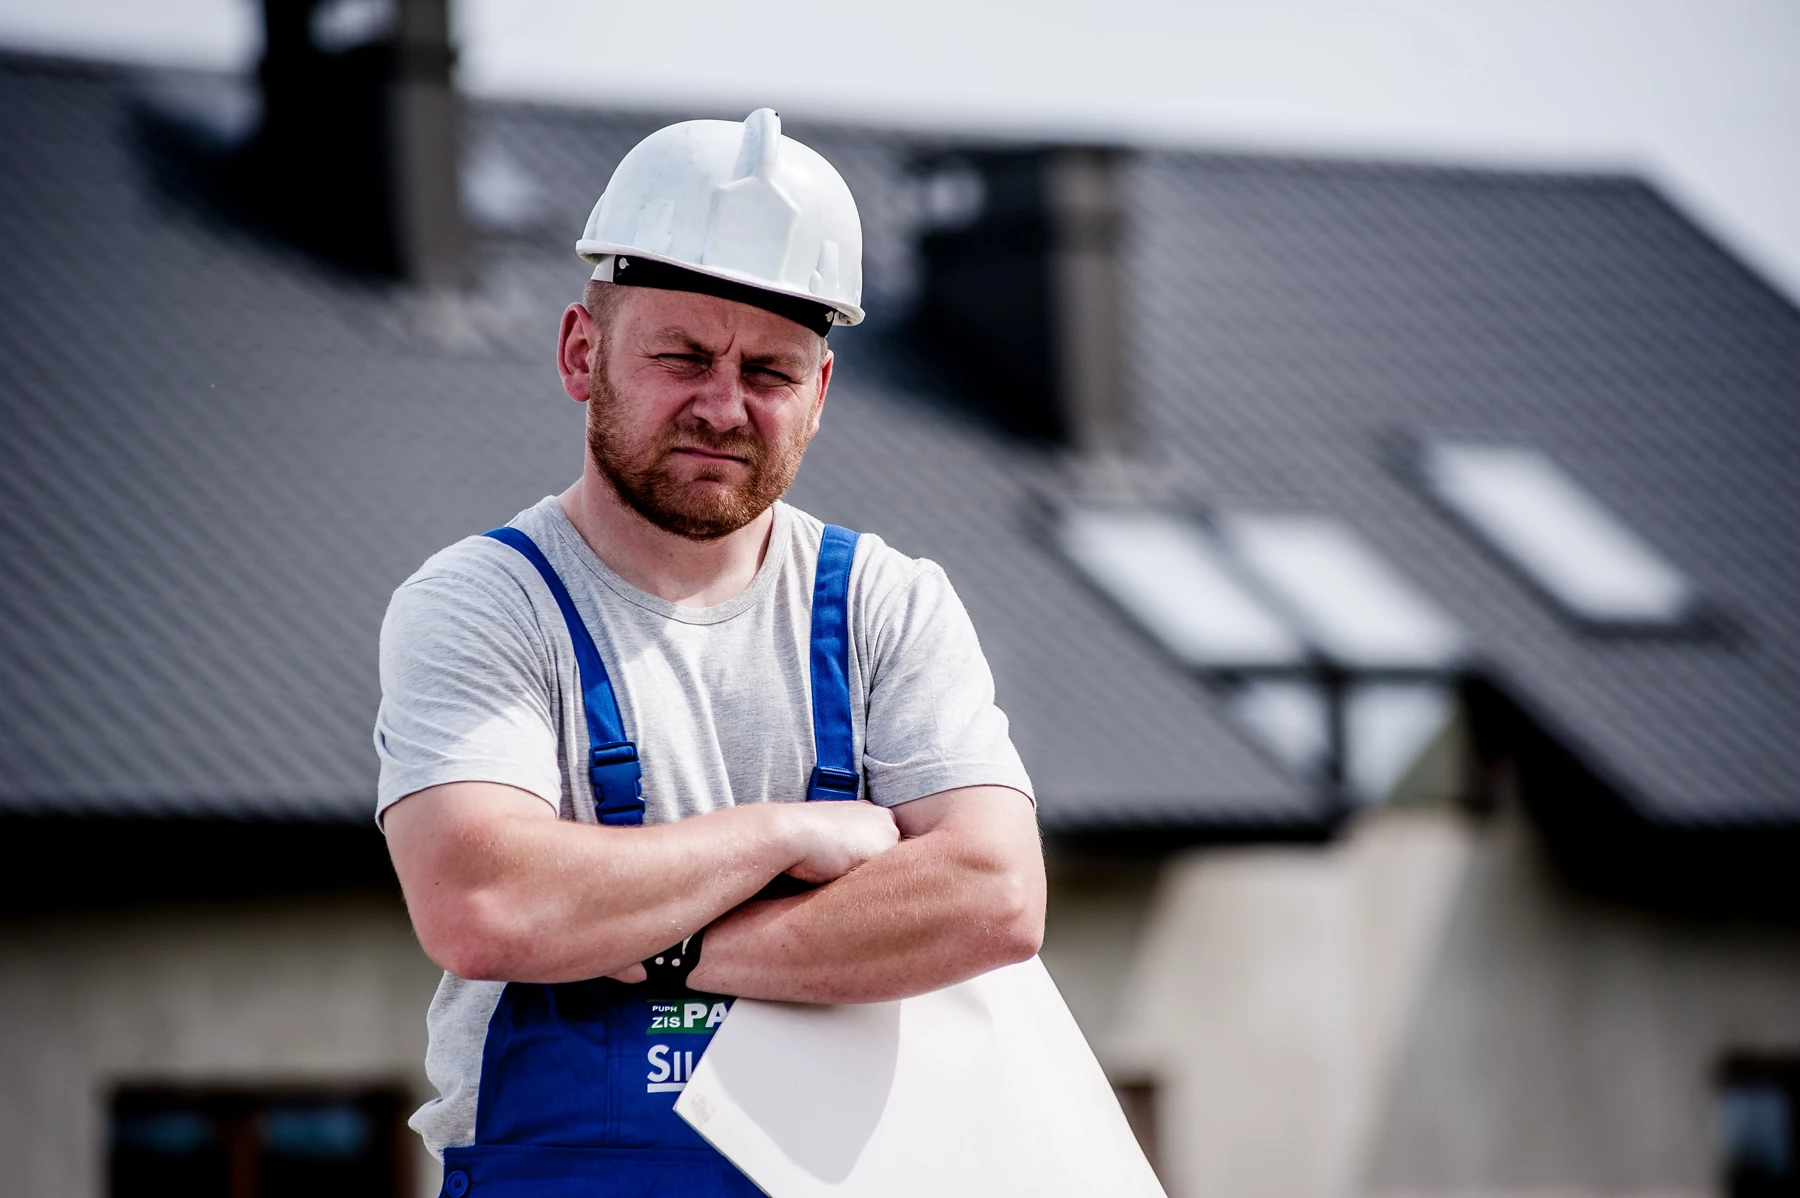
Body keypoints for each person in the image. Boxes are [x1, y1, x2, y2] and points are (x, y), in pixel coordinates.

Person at [375, 109, 1045, 1196]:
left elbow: (996, 896)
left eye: (771, 372)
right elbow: (485, 905)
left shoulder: (887, 604)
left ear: (819, 397)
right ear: (581, 353)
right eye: (683, 355)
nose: (724, 406)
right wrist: (787, 834)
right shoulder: (484, 603)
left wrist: (660, 944)